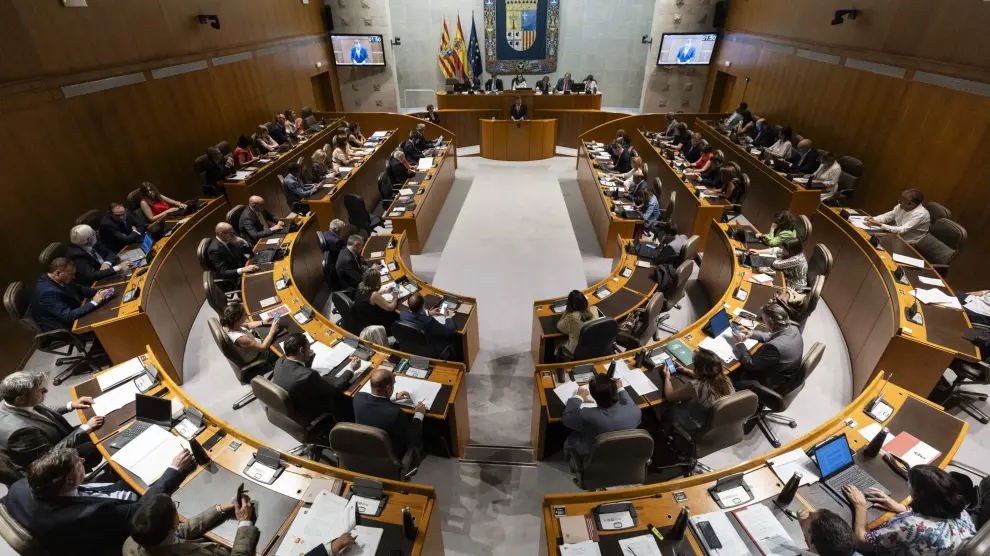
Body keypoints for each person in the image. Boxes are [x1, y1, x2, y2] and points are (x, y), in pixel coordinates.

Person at [4, 446, 192, 556]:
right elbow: (142, 509)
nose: (83, 460)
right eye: (79, 463)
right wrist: (173, 470)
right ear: (69, 480)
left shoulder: (20, 486)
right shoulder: (93, 514)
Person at [845, 465, 975, 556]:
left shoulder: (912, 526)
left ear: (919, 495)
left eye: (910, 484)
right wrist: (901, 508)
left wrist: (860, 505)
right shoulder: (962, 512)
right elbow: (934, 519)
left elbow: (863, 542)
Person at [0, 370, 104, 472]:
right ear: (20, 399)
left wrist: (70, 405)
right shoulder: (19, 432)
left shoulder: (12, 402)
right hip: (51, 462)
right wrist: (84, 428)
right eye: (39, 391)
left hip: (55, 437)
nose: (45, 391)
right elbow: (48, 456)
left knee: (98, 429)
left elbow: (41, 409)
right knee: (94, 448)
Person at [124, 491, 259, 556]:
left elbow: (181, 532)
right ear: (172, 526)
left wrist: (220, 509)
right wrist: (245, 523)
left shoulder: (137, 538)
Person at [274, 333, 355, 425]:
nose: (310, 350)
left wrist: (308, 356)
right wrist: (350, 370)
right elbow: (334, 389)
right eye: (308, 348)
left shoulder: (280, 361)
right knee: (346, 396)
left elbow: (301, 369)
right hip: (309, 412)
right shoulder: (308, 376)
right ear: (301, 350)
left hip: (294, 405)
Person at [562, 374, 642, 460]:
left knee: (571, 439)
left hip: (595, 455)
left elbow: (567, 418)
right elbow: (628, 401)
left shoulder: (588, 415)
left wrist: (579, 396)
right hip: (624, 453)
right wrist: (620, 388)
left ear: (594, 396)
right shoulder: (635, 410)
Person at [353, 368, 426, 460]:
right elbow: (413, 436)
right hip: (390, 453)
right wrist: (419, 414)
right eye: (393, 384)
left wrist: (394, 397)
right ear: (388, 388)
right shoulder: (396, 414)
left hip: (366, 446)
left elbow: (375, 402)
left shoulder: (358, 398)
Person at [660, 348, 735, 433]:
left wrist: (667, 378)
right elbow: (709, 377)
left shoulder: (696, 387)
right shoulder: (726, 380)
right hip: (715, 422)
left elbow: (670, 396)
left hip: (694, 424)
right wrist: (687, 371)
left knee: (664, 407)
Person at [730, 303, 804, 390]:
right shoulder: (793, 328)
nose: (763, 322)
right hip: (787, 370)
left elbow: (751, 365)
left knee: (732, 376)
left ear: (771, 323)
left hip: (772, 380)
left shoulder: (773, 347)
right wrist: (751, 333)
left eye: (764, 320)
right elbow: (772, 335)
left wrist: (739, 343)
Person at [31, 258, 113, 332]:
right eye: (71, 274)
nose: (74, 277)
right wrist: (94, 302)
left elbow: (79, 289)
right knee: (107, 320)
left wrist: (99, 292)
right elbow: (68, 316)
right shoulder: (47, 292)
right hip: (63, 326)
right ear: (58, 273)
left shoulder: (58, 278)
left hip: (72, 310)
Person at [67, 224, 131, 285]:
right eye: (93, 234)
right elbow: (91, 275)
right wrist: (118, 267)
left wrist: (107, 263)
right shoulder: (76, 255)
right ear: (89, 239)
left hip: (108, 272)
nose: (96, 234)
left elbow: (111, 253)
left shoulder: (92, 243)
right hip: (97, 282)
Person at [866, 189, 931, 245]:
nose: (899, 201)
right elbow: (887, 216)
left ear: (910, 203)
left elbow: (901, 230)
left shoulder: (920, 214)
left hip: (908, 243)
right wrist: (873, 219)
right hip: (895, 235)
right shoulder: (901, 206)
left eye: (902, 200)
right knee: (867, 238)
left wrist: (879, 225)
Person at [556, 291, 603, 356]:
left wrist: (567, 310)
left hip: (577, 350)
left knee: (557, 341)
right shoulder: (594, 309)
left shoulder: (571, 316)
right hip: (595, 347)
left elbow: (559, 327)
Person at [353, 268, 399, 332]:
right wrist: (395, 296)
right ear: (376, 281)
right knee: (397, 313)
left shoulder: (361, 285)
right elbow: (390, 308)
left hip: (363, 317)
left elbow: (368, 295)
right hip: (374, 323)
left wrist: (384, 291)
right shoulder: (374, 295)